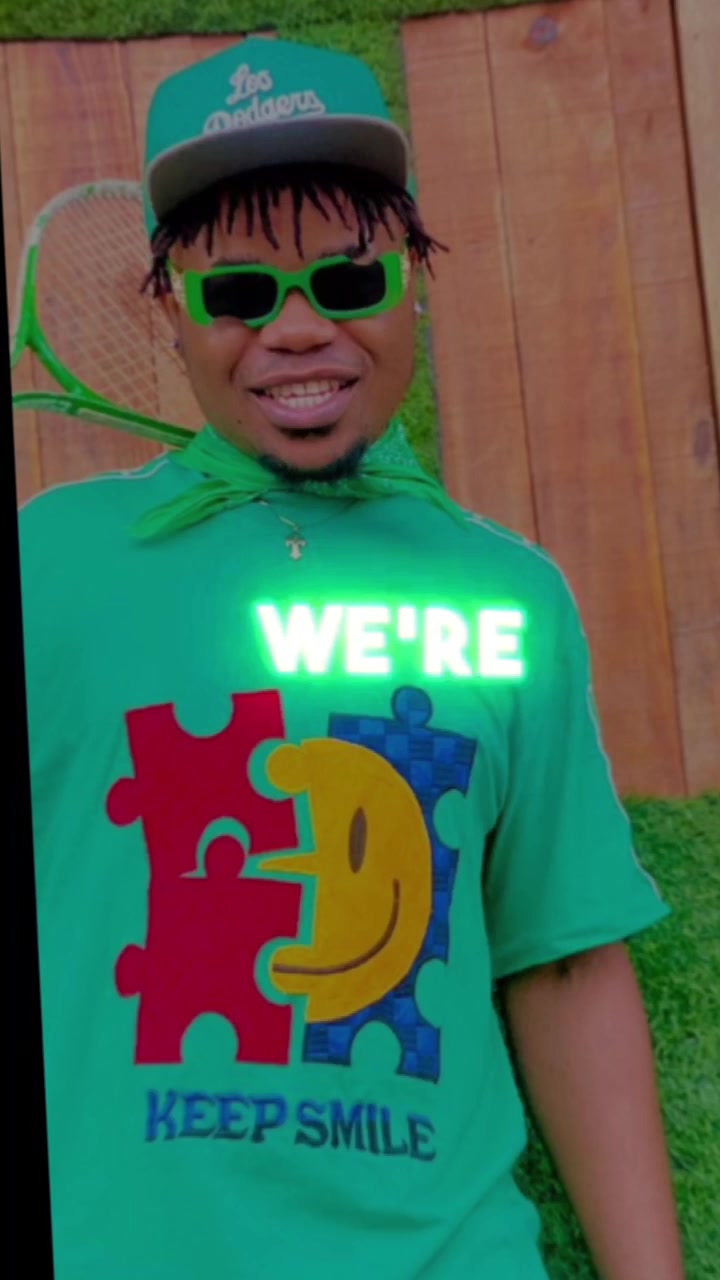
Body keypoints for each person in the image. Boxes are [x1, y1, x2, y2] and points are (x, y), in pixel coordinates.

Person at [18, 35, 686, 1280]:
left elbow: (565, 964)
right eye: (238, 291)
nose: (298, 329)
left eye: (348, 276)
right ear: (169, 311)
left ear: (413, 285)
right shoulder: (46, 565)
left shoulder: (510, 598)